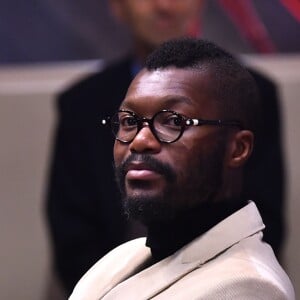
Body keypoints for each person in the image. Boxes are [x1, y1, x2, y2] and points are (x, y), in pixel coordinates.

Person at [46, 0, 285, 295]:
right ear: (118, 7)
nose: (141, 140)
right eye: (129, 120)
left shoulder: (244, 284)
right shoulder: (120, 261)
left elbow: (269, 211)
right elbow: (71, 231)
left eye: (174, 121)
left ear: (238, 148)